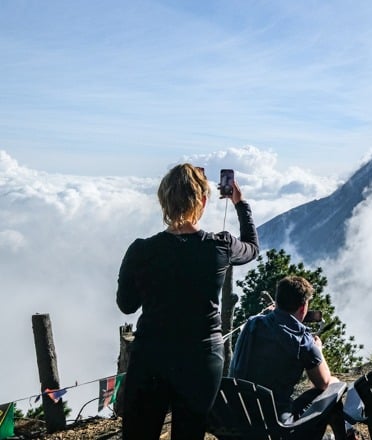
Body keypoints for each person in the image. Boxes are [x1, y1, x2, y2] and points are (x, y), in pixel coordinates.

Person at [116, 163, 259, 440]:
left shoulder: (141, 250)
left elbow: (127, 305)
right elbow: (252, 248)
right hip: (201, 360)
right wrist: (240, 204)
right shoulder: (221, 246)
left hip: (151, 358)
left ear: (163, 201)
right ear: (203, 201)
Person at [230, 275, 348, 438]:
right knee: (334, 385)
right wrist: (317, 349)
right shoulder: (302, 341)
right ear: (303, 307)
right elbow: (324, 383)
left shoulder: (253, 324)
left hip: (241, 420)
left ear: (277, 301)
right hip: (278, 428)